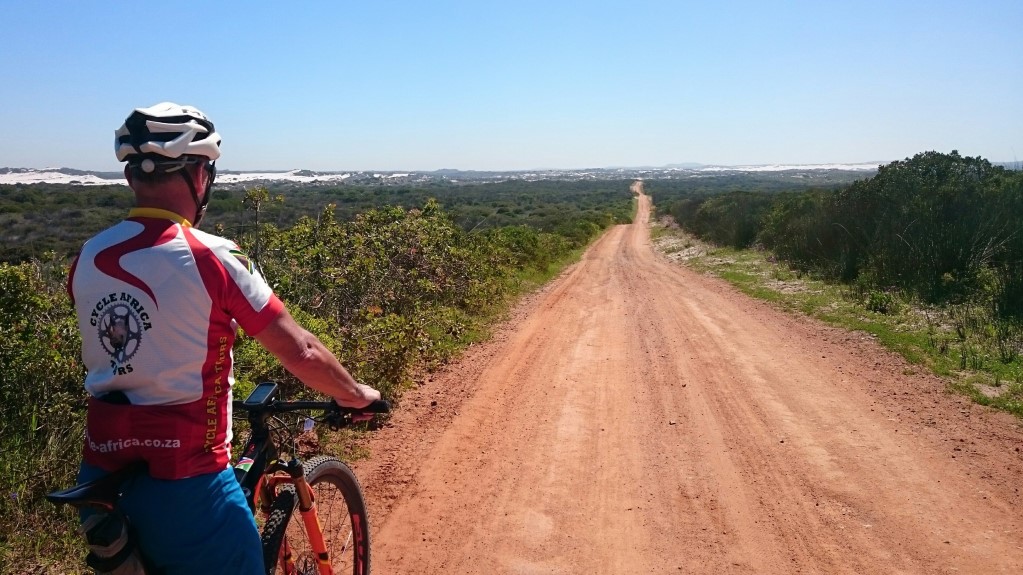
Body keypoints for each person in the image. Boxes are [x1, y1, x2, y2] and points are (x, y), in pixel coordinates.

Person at [68, 102, 381, 574]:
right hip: (188, 485)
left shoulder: (88, 256)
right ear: (200, 176)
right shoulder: (212, 257)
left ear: (132, 178)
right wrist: (357, 395)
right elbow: (301, 350)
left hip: (101, 479)